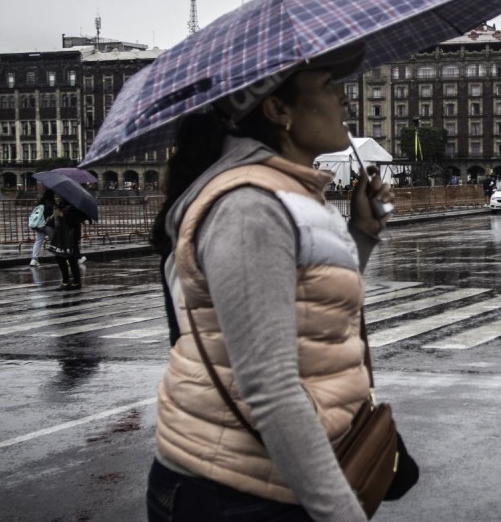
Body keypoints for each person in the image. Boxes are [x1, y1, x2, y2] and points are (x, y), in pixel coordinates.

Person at [145, 46, 396, 522]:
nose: (345, 100)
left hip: (271, 477)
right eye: (329, 86)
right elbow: (270, 386)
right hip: (233, 493)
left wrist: (360, 233)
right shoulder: (249, 207)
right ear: (278, 110)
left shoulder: (291, 192)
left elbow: (310, 312)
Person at [47, 193, 89, 290]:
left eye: (61, 196)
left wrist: (62, 215)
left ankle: (73, 282)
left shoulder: (74, 207)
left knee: (68, 258)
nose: (59, 197)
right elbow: (54, 220)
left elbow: (74, 221)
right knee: (62, 257)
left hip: (70, 236)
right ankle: (69, 281)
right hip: (61, 235)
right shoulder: (62, 205)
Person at [28, 188, 55, 266]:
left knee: (38, 241)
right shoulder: (51, 204)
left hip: (38, 226)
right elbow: (52, 217)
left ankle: (34, 259)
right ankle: (65, 258)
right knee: (57, 240)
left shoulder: (40, 203)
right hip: (46, 226)